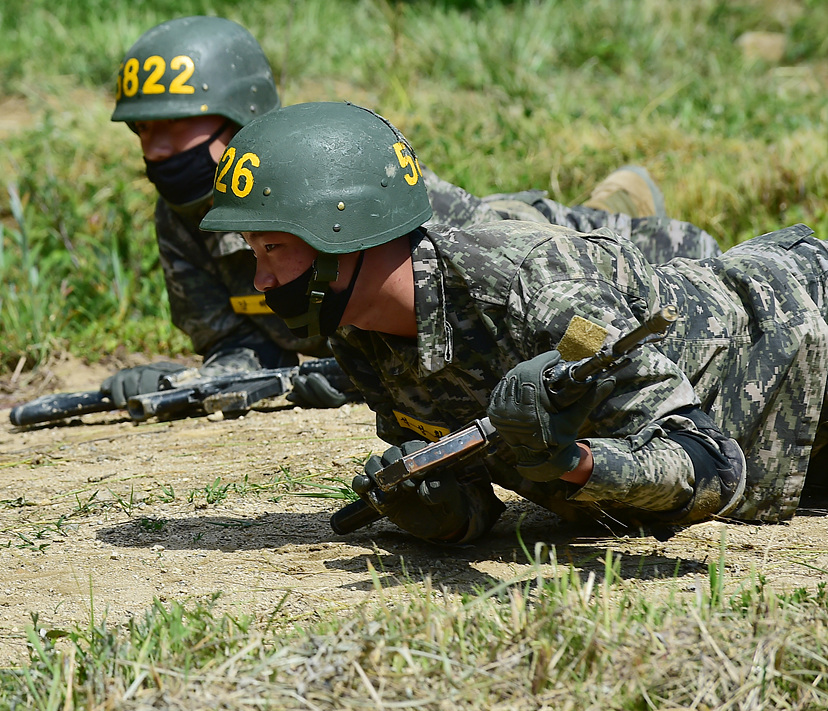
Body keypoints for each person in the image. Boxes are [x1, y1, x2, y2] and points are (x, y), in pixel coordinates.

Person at [198, 100, 828, 542]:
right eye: (254, 253)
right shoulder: (361, 334)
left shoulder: (536, 289)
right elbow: (482, 485)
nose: (261, 281)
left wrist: (571, 461)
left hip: (802, 339)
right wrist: (437, 503)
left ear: (343, 230)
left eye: (273, 249)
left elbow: (711, 462)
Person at [103, 15, 723, 411]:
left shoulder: (341, 183)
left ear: (238, 115)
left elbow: (484, 285)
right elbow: (241, 340)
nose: (156, 150)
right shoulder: (184, 217)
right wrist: (199, 380)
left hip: (530, 237)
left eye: (175, 125)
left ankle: (615, 204)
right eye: (143, 132)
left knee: (681, 265)